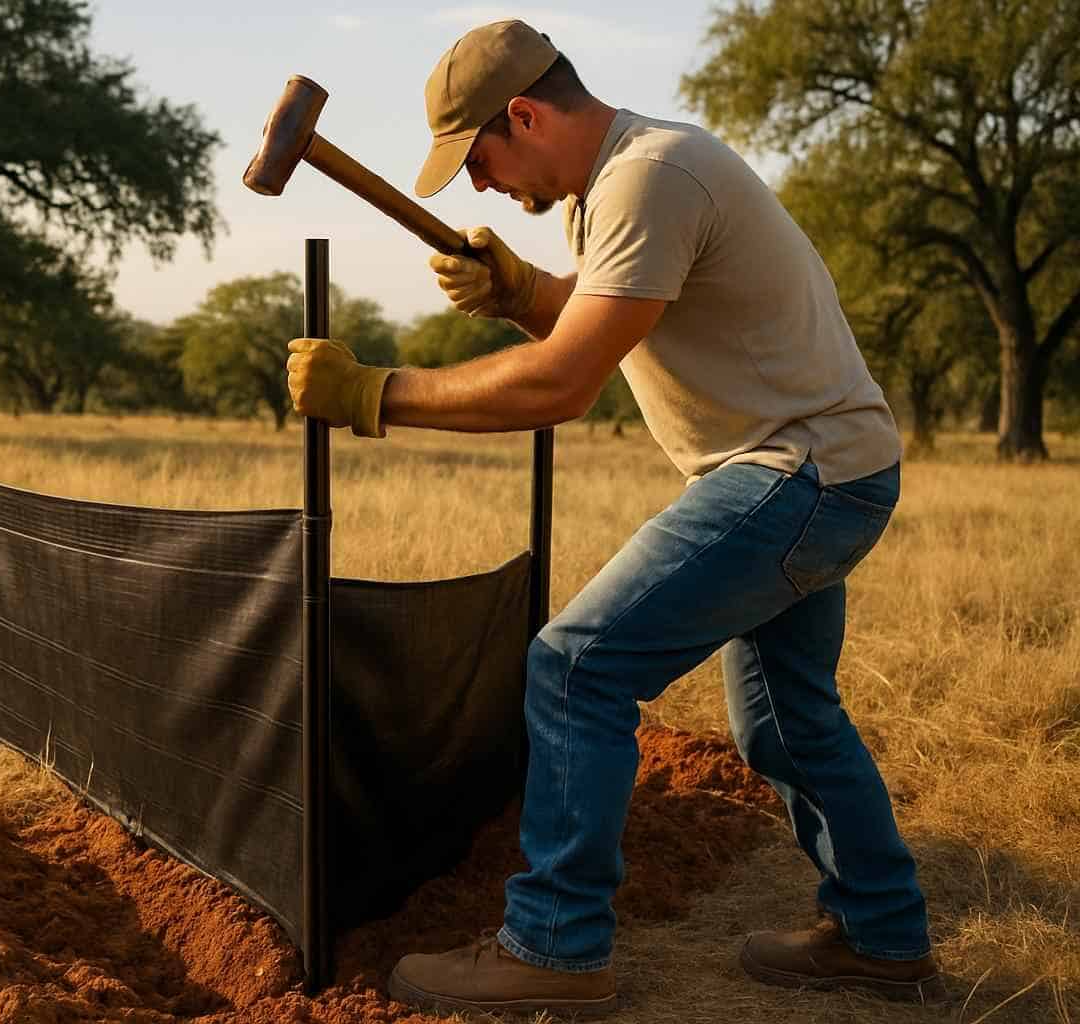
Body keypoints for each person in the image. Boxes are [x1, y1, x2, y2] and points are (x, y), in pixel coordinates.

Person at [284, 18, 940, 1020]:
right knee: (787, 718)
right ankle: (883, 934)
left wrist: (374, 394)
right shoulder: (623, 185)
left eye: (480, 160)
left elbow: (562, 383)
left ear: (526, 113)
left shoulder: (652, 177)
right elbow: (604, 320)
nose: (479, 187)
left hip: (797, 474)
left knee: (576, 666)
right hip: (830, 469)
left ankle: (554, 946)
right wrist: (520, 292)